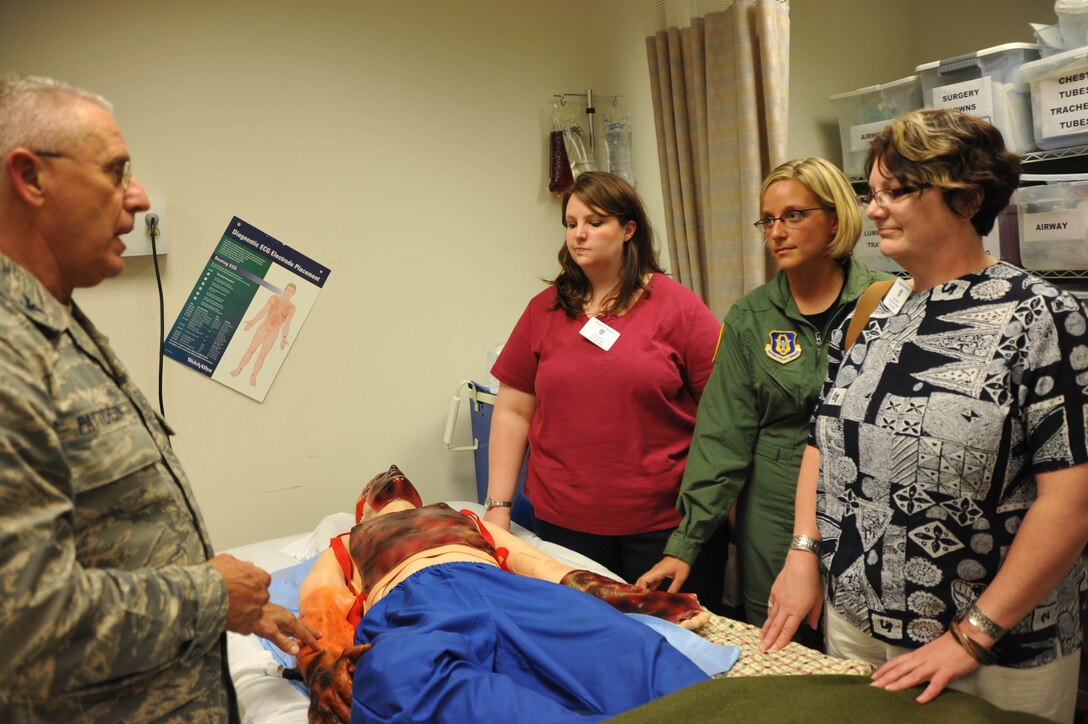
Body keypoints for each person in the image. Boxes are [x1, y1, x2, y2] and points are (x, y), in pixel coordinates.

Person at [0, 74, 316, 722]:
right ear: (30, 178)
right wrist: (212, 595)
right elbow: (24, 626)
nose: (139, 198)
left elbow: (111, 534)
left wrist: (240, 609)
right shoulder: (10, 349)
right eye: (116, 172)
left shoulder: (56, 325)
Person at [761, 109, 1088, 723]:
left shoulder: (1043, 318)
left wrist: (973, 635)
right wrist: (803, 553)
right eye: (873, 192)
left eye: (899, 191)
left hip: (997, 650)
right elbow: (821, 443)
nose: (875, 209)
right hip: (858, 623)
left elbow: (1071, 501)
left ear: (967, 198)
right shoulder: (874, 308)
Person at [637, 157, 893, 647]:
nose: (777, 232)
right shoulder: (751, 319)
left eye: (793, 215)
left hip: (866, 500)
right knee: (782, 647)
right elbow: (722, 437)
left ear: (835, 219)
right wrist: (685, 543)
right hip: (774, 507)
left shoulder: (889, 302)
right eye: (768, 220)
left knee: (865, 648)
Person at [296, 465, 709, 723]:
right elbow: (320, 599)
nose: (393, 477)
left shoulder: (464, 518)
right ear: (362, 512)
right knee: (397, 676)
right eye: (378, 487)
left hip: (506, 588)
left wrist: (624, 597)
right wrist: (324, 665)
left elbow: (538, 564)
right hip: (414, 603)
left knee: (620, 642)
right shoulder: (349, 539)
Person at [485, 171, 726, 607]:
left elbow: (725, 415)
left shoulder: (679, 308)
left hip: (664, 529)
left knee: (679, 646)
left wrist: (716, 509)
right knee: (584, 646)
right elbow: (513, 411)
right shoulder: (545, 310)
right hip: (565, 528)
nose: (579, 234)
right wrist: (498, 506)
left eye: (595, 222)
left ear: (628, 229)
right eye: (571, 223)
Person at [231, 282, 297, 386]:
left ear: (294, 294)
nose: (289, 292)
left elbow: (287, 324)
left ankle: (253, 377)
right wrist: (253, 321)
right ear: (285, 289)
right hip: (264, 326)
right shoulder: (274, 298)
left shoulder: (292, 307)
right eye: (288, 289)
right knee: (251, 349)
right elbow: (263, 311)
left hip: (275, 331)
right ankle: (238, 369)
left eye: (292, 291)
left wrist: (284, 337)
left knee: (262, 355)